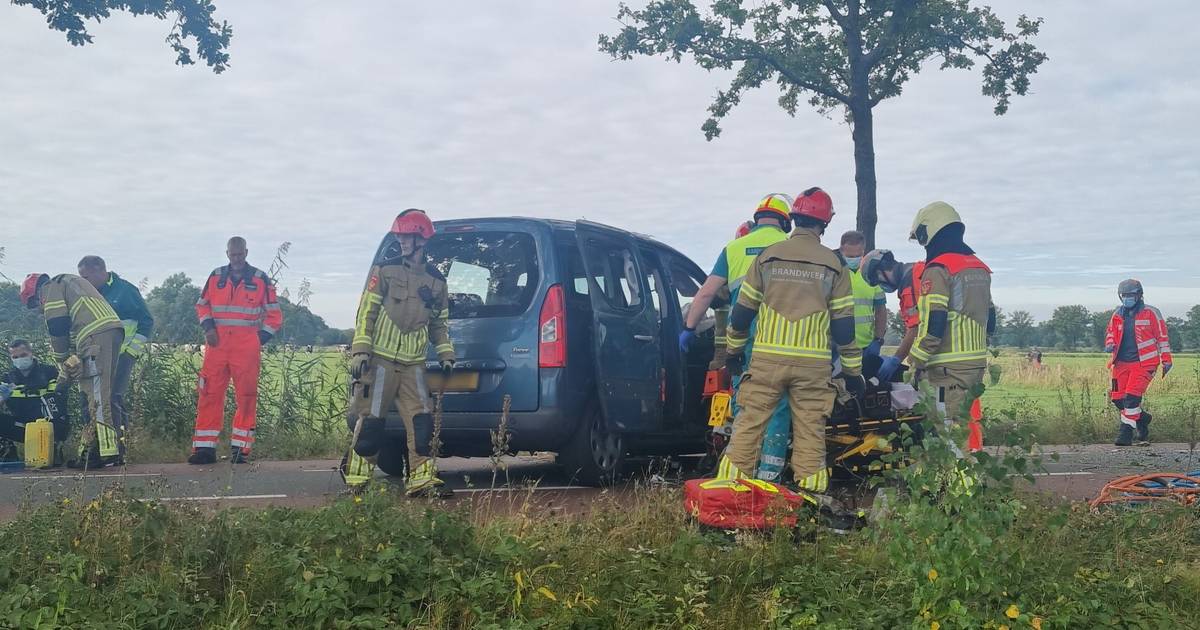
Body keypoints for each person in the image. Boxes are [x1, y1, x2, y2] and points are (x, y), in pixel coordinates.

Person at [717, 187, 864, 500]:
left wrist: (732, 352)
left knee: (747, 430)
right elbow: (843, 330)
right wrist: (853, 373)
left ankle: (726, 502)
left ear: (794, 218)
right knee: (811, 438)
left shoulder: (768, 258)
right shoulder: (834, 265)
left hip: (767, 361)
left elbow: (741, 315)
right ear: (825, 224)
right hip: (813, 369)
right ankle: (810, 507)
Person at [679, 196, 794, 481]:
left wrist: (689, 328)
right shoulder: (792, 248)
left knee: (744, 404)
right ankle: (770, 478)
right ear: (785, 220)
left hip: (742, 343)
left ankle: (741, 473)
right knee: (778, 407)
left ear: (756, 219)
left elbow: (705, 293)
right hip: (783, 341)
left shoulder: (733, 248)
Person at [343, 209, 456, 497]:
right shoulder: (384, 270)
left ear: (421, 240)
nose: (402, 241)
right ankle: (357, 482)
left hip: (414, 364)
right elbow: (366, 313)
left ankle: (422, 480)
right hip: (379, 361)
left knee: (422, 421)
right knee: (370, 422)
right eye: (400, 236)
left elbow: (439, 324)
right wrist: (361, 351)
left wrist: (446, 355)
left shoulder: (437, 282)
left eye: (407, 236)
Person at [906, 202, 995, 448]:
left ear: (933, 230)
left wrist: (913, 363)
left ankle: (961, 485)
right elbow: (991, 320)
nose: (924, 244)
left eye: (922, 237)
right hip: (975, 363)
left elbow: (934, 325)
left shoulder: (939, 269)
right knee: (967, 424)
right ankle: (965, 479)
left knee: (948, 432)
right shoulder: (979, 268)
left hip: (947, 368)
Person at [190, 237, 283, 464]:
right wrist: (208, 327)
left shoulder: (260, 279)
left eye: (240, 254)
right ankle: (204, 449)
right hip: (217, 345)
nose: (237, 259)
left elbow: (274, 315)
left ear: (246, 252)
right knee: (209, 393)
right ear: (227, 254)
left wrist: (256, 340)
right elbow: (202, 305)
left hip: (246, 347)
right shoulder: (215, 276)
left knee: (247, 396)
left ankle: (240, 449)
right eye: (233, 255)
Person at [20, 272, 125, 468]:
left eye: (36, 305)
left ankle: (108, 453)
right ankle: (90, 452)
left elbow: (57, 328)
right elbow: (74, 356)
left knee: (97, 397)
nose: (39, 311)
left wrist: (61, 362)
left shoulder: (51, 289)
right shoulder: (68, 286)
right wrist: (63, 380)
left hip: (96, 335)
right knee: (89, 394)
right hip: (102, 334)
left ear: (37, 294)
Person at [78, 256, 154, 436]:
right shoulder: (87, 295)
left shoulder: (125, 291)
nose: (83, 281)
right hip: (96, 355)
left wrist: (131, 352)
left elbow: (147, 321)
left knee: (113, 397)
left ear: (100, 271)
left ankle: (119, 447)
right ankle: (98, 445)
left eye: (85, 277)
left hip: (122, 354)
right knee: (93, 399)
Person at [1104, 279, 1171, 447]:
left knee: (1131, 399)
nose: (1127, 298)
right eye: (1124, 295)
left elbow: (1162, 337)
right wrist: (1109, 343)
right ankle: (1143, 419)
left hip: (1145, 363)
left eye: (1131, 295)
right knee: (1118, 399)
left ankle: (1125, 433)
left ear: (1139, 295)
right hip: (1120, 363)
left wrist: (1166, 359)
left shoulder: (1152, 313)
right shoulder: (1117, 313)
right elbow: (1111, 332)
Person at [0, 340, 69, 466]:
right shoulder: (7, 378)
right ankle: (8, 452)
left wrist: (36, 386)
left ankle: (54, 448)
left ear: (31, 353)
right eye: (15, 357)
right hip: (23, 426)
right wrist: (3, 397)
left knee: (56, 410)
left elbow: (59, 401)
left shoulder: (49, 371)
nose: (19, 359)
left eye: (23, 355)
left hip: (49, 424)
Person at [860, 249, 923, 382]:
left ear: (881, 270)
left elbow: (915, 329)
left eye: (878, 281)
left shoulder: (909, 285)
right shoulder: (916, 271)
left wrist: (896, 359)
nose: (881, 286)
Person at [837, 231, 888, 362]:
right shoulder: (835, 273)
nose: (854, 259)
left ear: (863, 252)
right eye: (850, 256)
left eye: (858, 255)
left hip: (865, 346)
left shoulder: (871, 275)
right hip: (837, 346)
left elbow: (881, 311)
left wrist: (878, 339)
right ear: (841, 250)